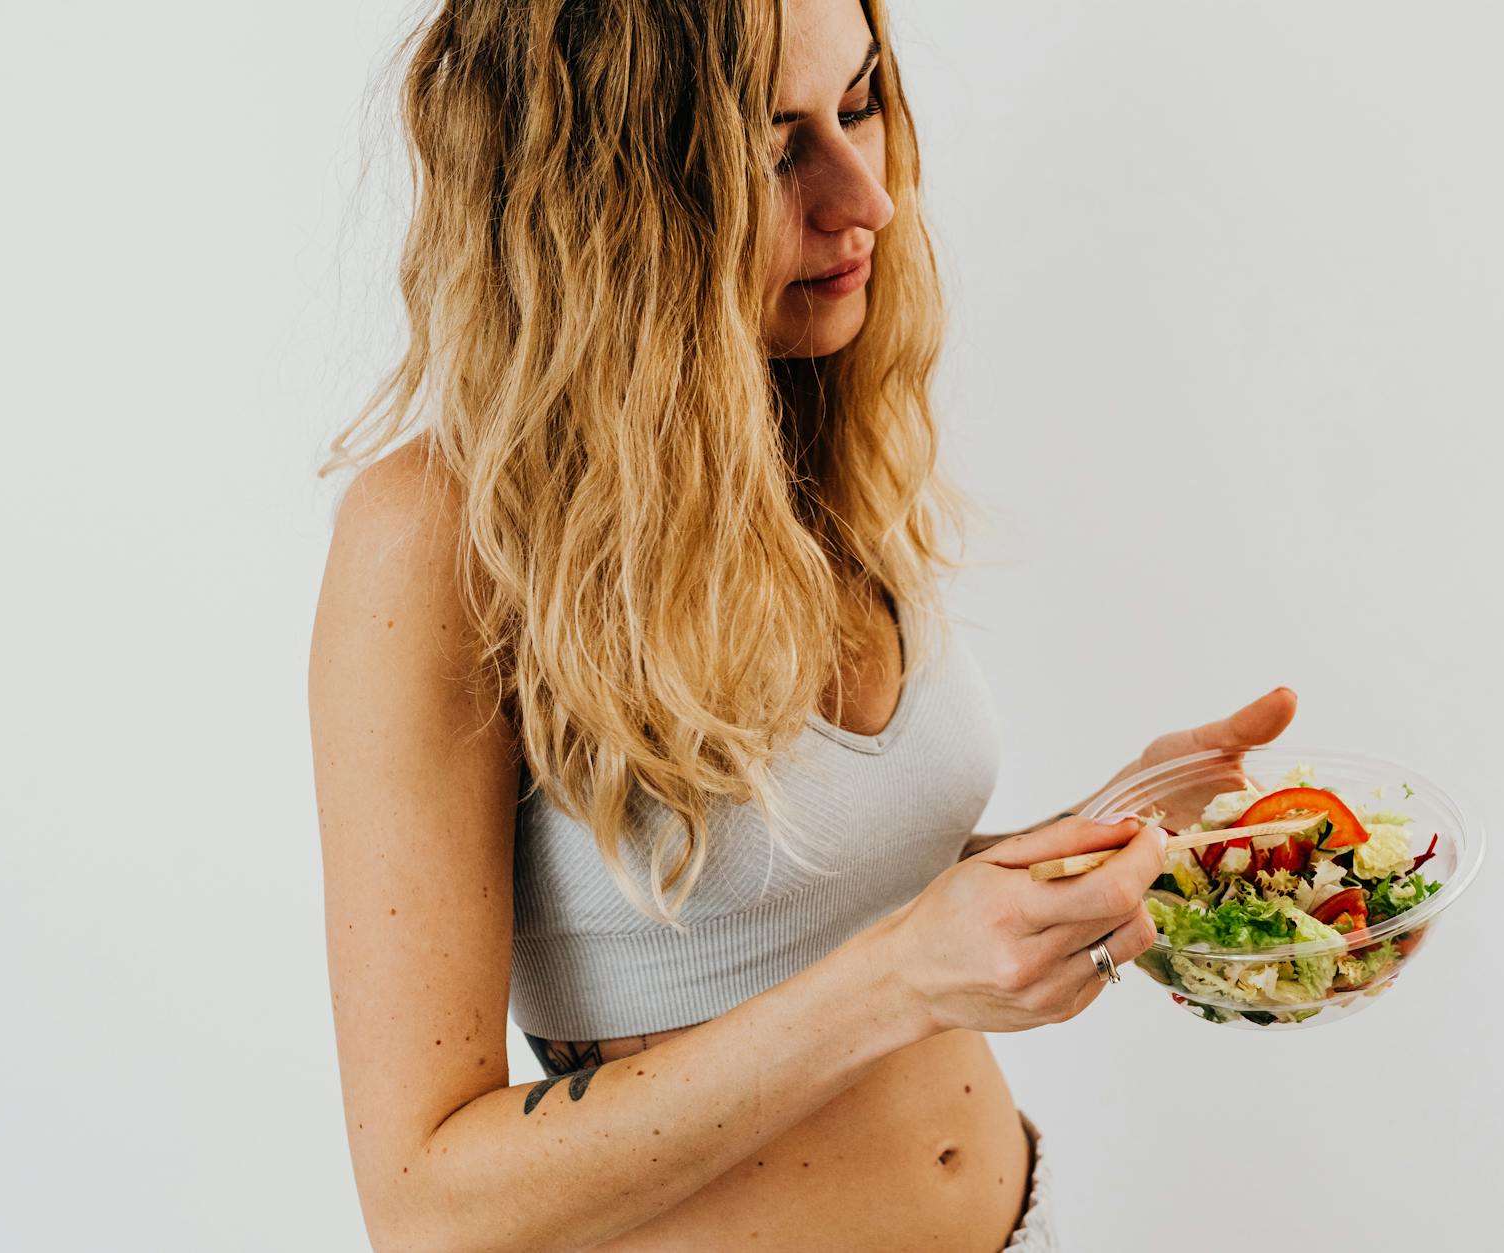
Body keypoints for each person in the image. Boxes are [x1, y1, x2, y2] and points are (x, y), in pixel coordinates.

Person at [307, 1, 1299, 1248]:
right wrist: (898, 982)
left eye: (862, 101)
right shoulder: (441, 538)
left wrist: (1101, 835)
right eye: (773, 151)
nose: (864, 198)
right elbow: (425, 1201)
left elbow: (813, 905)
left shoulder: (811, 430)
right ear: (602, 199)